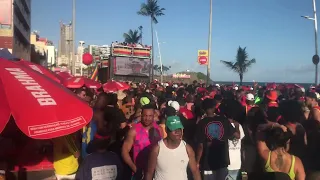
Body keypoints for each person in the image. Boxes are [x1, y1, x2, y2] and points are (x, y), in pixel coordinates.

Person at [144, 116, 201, 180]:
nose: (178, 132)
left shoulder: (187, 149)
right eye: (173, 129)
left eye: (179, 129)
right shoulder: (157, 149)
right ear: (166, 130)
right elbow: (149, 173)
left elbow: (195, 172)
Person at [195, 99, 239, 180]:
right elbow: (237, 135)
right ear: (214, 107)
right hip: (222, 160)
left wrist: (197, 162)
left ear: (203, 109)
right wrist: (236, 126)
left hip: (207, 162)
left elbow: (200, 146)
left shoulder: (201, 123)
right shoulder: (224, 120)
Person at [122, 104, 162, 180]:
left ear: (154, 116)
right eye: (145, 115)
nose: (147, 118)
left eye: (150, 116)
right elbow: (124, 151)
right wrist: (135, 169)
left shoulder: (158, 129)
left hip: (156, 173)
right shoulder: (133, 131)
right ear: (141, 115)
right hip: (139, 174)